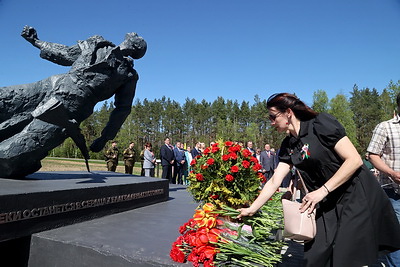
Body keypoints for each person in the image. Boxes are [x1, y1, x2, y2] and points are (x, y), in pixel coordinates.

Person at [238, 93, 400, 267]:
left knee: (345, 257)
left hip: (354, 195)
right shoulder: (289, 145)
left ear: (289, 113)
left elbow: (354, 160)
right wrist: (252, 208)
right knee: (315, 256)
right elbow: (274, 180)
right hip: (325, 203)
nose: (271, 122)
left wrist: (322, 191)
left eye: (273, 116)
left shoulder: (320, 125)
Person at [0, 25, 146, 178]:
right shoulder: (96, 42)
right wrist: (36, 41)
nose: (134, 33)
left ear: (136, 46)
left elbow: (122, 109)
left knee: (11, 155)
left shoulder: (128, 75)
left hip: (69, 110)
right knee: (4, 99)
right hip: (49, 86)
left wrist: (104, 137)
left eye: (138, 36)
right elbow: (66, 54)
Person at [367, 93, 400, 267]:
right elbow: (372, 155)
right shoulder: (385, 127)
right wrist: (392, 173)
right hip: (392, 191)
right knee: (395, 235)